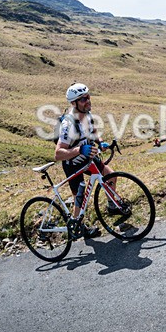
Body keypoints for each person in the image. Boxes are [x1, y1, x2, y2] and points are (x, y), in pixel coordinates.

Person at [54, 82, 115, 238]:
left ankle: (112, 206)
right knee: (80, 200)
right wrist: (79, 150)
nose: (88, 101)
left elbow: (93, 131)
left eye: (88, 97)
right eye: (83, 99)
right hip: (72, 164)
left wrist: (100, 142)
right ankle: (77, 228)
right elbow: (58, 154)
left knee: (111, 176)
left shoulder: (86, 113)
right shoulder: (68, 124)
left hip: (87, 158)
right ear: (74, 103)